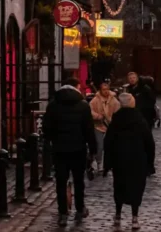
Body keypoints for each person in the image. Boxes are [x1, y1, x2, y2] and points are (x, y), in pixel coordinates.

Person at [44, 76, 98, 224]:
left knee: (61, 182)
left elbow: (46, 128)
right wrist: (93, 149)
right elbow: (89, 130)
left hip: (60, 149)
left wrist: (51, 141)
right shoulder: (83, 105)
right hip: (78, 149)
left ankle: (63, 213)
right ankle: (80, 209)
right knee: (79, 180)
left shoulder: (53, 105)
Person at [104, 93, 154, 230]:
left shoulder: (116, 121)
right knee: (136, 188)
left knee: (119, 186)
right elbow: (149, 143)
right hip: (137, 159)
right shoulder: (140, 120)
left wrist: (107, 163)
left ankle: (118, 214)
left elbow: (108, 142)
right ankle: (134, 217)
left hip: (119, 159)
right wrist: (150, 162)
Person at [88, 80, 121, 176]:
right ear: (100, 90)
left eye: (107, 89)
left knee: (110, 146)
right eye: (103, 89)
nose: (106, 91)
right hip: (98, 126)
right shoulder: (95, 100)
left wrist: (113, 120)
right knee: (100, 145)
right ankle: (99, 163)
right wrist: (98, 116)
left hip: (110, 126)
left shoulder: (114, 100)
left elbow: (118, 111)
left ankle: (108, 164)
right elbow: (90, 111)